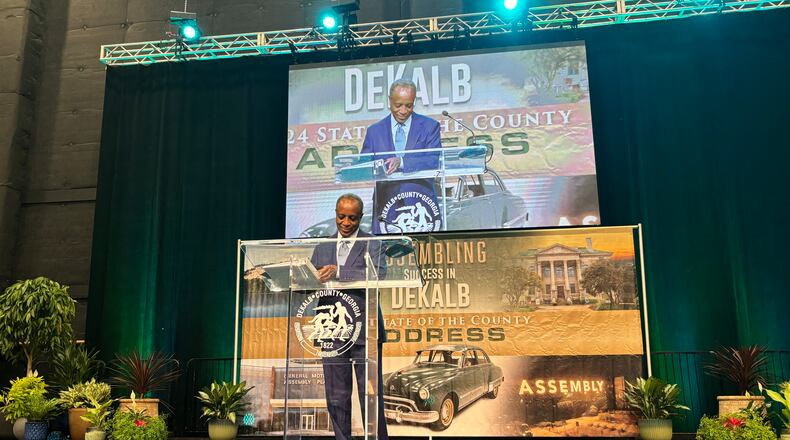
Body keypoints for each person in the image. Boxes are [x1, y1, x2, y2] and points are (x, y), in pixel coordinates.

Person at [310, 193, 389, 440]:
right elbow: (310, 279)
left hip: (365, 328)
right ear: (335, 214)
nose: (345, 223)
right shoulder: (322, 246)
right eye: (341, 216)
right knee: (336, 395)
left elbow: (379, 275)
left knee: (371, 395)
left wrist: (339, 271)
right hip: (331, 330)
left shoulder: (372, 243)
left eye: (352, 218)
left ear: (361, 217)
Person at [361, 78, 442, 174]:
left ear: (414, 101)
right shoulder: (374, 132)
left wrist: (402, 162)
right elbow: (364, 164)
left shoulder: (430, 126)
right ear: (390, 101)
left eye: (408, 106)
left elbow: (433, 160)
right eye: (398, 105)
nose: (403, 111)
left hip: (418, 187)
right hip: (386, 188)